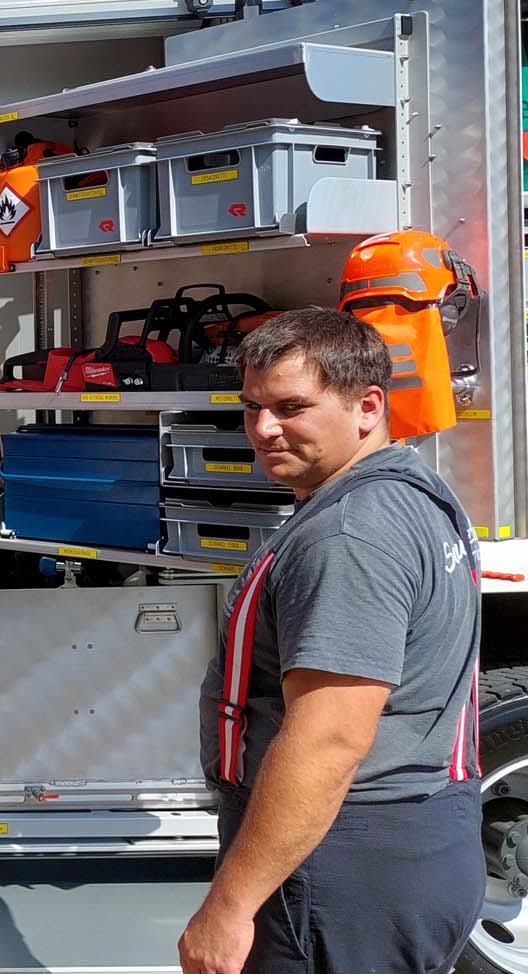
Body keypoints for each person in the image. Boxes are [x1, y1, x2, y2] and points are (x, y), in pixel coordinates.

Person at [179, 308, 481, 974]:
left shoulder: (349, 537)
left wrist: (229, 908)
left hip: (342, 863)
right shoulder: (414, 491)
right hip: (413, 838)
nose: (263, 429)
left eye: (291, 408)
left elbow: (329, 740)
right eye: (252, 407)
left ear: (368, 406)